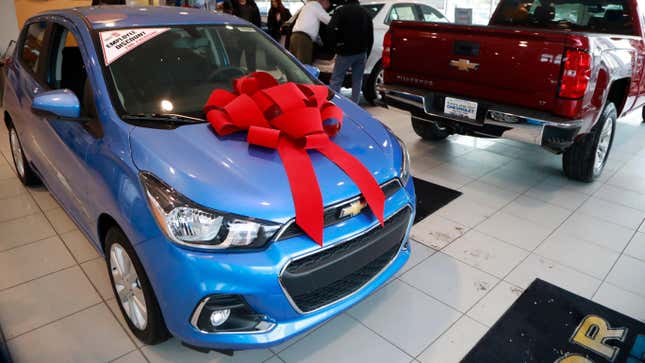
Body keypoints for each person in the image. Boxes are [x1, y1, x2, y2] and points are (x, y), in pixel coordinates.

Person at [327, 0, 373, 103]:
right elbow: (370, 36)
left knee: (337, 79)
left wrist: (335, 45)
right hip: (361, 52)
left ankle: (333, 104)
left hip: (345, 52)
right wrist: (367, 52)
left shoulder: (341, 11)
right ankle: (355, 106)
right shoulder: (366, 13)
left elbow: (330, 28)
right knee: (357, 80)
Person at [288, 0, 331, 64]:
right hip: (303, 39)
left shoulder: (308, 6)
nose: (328, 6)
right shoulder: (316, 5)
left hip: (295, 37)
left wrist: (321, 43)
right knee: (303, 64)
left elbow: (313, 30)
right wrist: (340, 21)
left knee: (294, 64)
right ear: (324, 1)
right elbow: (329, 20)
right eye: (328, 4)